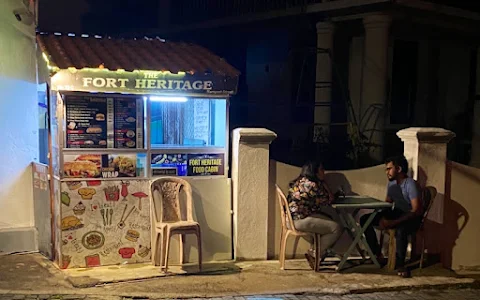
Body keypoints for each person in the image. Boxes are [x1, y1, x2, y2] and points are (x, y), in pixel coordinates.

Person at [360, 155, 423, 277]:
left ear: (398, 169)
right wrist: (381, 216)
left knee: (400, 230)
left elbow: (416, 210)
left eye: (389, 169)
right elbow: (388, 203)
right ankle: (377, 255)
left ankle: (401, 265)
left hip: (411, 217)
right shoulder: (392, 184)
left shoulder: (410, 184)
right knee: (365, 220)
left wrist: (393, 222)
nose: (386, 172)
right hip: (397, 212)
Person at [287, 161, 343, 270]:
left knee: (329, 220)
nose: (324, 172)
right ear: (315, 172)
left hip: (292, 218)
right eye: (321, 170)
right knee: (336, 228)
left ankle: (317, 252)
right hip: (299, 220)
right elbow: (329, 200)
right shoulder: (312, 185)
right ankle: (315, 252)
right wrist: (325, 184)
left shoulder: (301, 181)